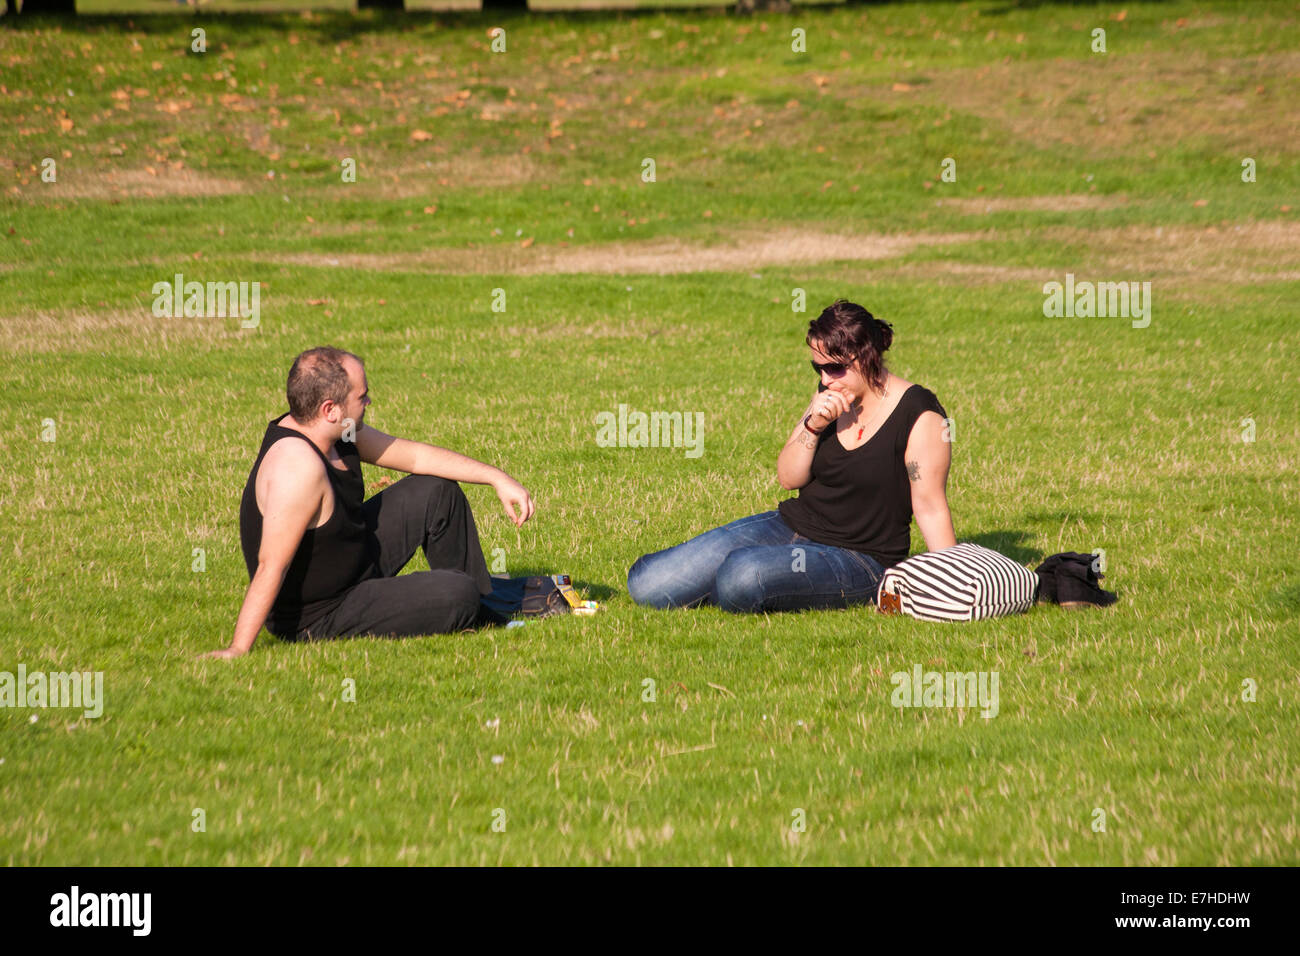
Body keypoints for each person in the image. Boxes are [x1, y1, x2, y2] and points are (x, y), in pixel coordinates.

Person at [203, 346, 536, 658]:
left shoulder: (336, 430)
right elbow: (269, 566)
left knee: (437, 491)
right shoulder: (297, 469)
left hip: (354, 556)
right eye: (361, 397)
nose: (370, 401)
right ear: (330, 409)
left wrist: (496, 476)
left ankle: (483, 605)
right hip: (322, 613)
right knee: (457, 592)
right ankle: (469, 604)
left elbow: (415, 457)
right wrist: (238, 648)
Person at [627, 300, 956, 613]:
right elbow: (789, 478)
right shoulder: (829, 392)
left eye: (835, 368)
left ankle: (747, 580)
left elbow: (929, 507)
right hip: (791, 526)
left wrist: (952, 583)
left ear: (866, 356)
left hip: (861, 559)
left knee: (741, 576)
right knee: (647, 584)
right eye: (818, 367)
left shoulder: (920, 415)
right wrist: (813, 426)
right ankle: (745, 580)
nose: (825, 378)